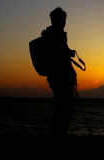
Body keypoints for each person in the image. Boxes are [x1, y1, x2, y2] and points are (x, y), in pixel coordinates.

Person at [41, 7, 77, 135]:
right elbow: (59, 56)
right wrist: (68, 53)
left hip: (57, 77)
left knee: (61, 108)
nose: (64, 22)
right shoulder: (56, 35)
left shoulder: (51, 34)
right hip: (61, 78)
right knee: (64, 109)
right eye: (62, 19)